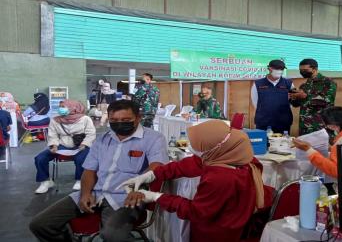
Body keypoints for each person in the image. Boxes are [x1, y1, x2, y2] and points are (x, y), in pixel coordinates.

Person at [29, 100, 169, 242]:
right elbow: (89, 170)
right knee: (40, 224)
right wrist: (85, 193)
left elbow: (157, 166)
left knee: (113, 235)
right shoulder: (102, 140)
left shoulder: (153, 138)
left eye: (126, 120)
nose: (119, 123)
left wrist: (140, 188)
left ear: (138, 118)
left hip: (127, 197)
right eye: (114, 120)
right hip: (95, 193)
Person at [120, 120, 273, 242]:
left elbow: (196, 212)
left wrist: (156, 197)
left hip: (218, 232)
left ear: (213, 149)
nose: (194, 151)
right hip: (233, 220)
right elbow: (188, 164)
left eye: (199, 147)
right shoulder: (236, 155)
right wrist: (151, 175)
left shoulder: (220, 177)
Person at [33, 100, 96, 194]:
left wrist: (84, 144)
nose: (61, 109)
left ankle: (80, 180)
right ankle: (46, 181)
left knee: (81, 158)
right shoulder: (55, 120)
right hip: (61, 145)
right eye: (60, 107)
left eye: (63, 107)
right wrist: (54, 145)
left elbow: (91, 134)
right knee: (40, 158)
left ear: (73, 108)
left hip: (81, 145)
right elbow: (52, 135)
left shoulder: (85, 119)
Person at [293, 106, 342, 179]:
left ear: (333, 125)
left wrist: (308, 149)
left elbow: (335, 171)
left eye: (327, 124)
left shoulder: (341, 142)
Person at [290, 59, 337, 136]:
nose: (302, 72)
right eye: (300, 70)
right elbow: (297, 104)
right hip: (304, 126)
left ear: (314, 69)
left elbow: (327, 101)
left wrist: (305, 96)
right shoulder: (304, 85)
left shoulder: (328, 82)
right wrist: (294, 97)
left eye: (305, 70)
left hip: (320, 125)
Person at [251, 60, 294, 134]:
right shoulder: (258, 84)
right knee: (264, 143)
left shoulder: (289, 84)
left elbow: (291, 102)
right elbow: (255, 102)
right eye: (277, 69)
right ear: (269, 69)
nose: (279, 71)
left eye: (282, 69)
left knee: (283, 143)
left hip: (283, 122)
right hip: (264, 122)